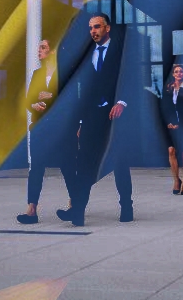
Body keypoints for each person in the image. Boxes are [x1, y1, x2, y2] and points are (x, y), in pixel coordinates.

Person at [55, 13, 133, 227]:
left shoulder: (120, 52)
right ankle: (78, 212)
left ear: (107, 28)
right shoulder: (88, 55)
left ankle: (126, 205)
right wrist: (81, 121)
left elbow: (130, 79)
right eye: (91, 28)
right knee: (85, 163)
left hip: (114, 116)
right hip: (91, 116)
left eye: (97, 27)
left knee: (119, 163)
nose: (93, 31)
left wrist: (123, 102)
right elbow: (84, 90)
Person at [16, 40, 67, 224]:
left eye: (43, 48)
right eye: (38, 47)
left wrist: (48, 96)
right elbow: (29, 98)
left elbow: (66, 99)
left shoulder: (63, 73)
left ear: (52, 52)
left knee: (67, 167)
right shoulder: (37, 74)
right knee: (35, 169)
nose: (39, 51)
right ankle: (31, 210)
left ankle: (75, 204)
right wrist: (34, 103)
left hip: (59, 129)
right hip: (39, 129)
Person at [161, 64, 183, 195]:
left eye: (181, 71)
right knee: (171, 151)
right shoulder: (168, 88)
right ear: (173, 74)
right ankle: (176, 180)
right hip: (170, 125)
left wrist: (179, 123)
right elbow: (165, 107)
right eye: (176, 71)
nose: (179, 73)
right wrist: (169, 122)